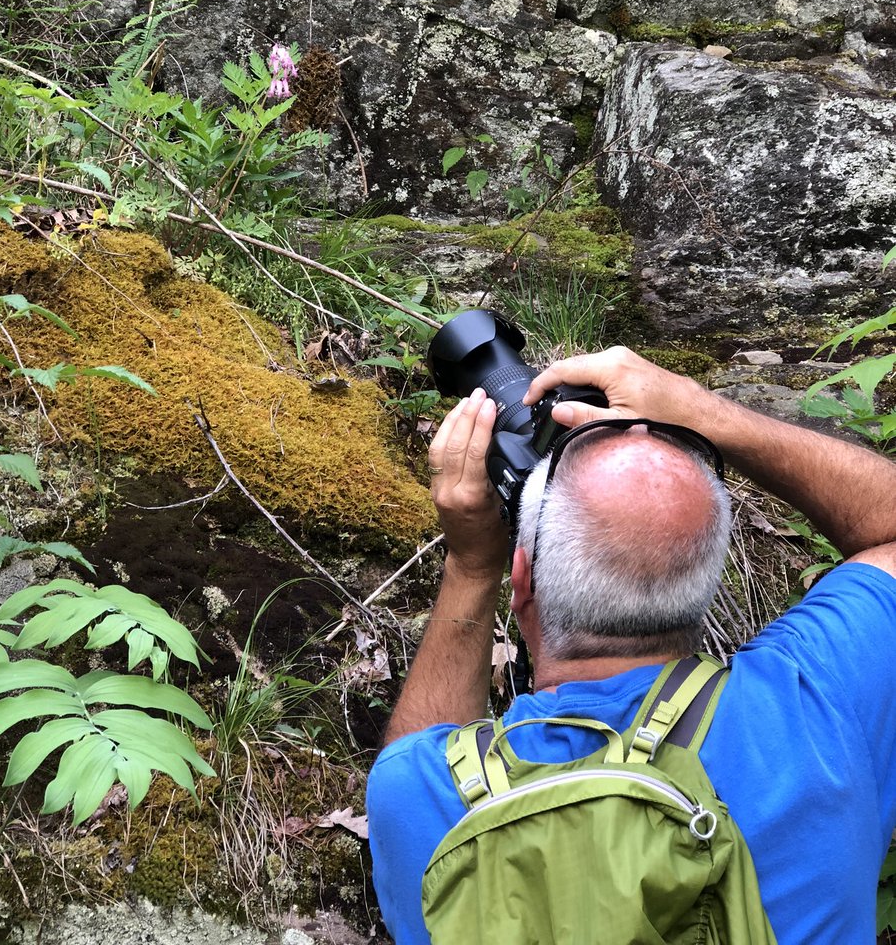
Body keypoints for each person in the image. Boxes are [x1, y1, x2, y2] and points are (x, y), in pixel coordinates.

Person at [367, 346, 896, 945]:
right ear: (708, 580)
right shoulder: (814, 712)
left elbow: (413, 752)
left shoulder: (418, 793)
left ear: (521, 583)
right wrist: (707, 413)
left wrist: (469, 562)